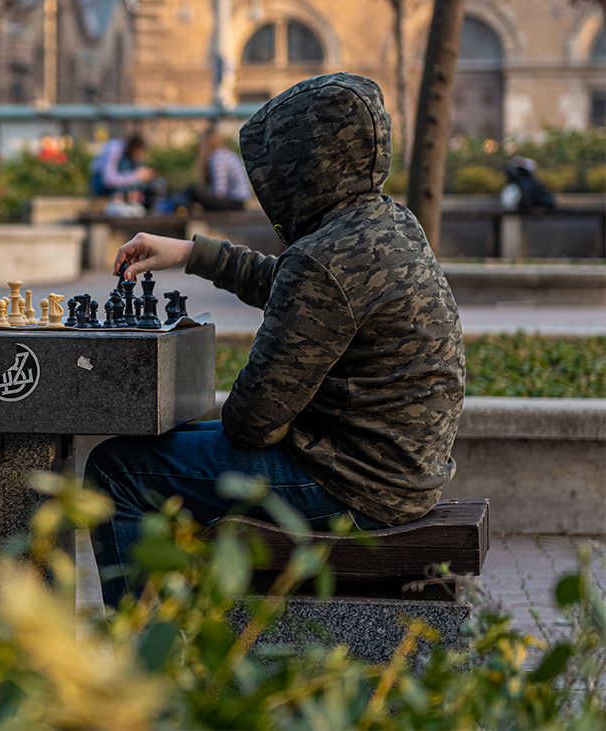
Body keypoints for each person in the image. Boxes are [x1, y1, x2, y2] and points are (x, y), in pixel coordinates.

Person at [87, 73, 465, 606]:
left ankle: (143, 658)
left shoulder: (323, 259)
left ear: (302, 168)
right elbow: (289, 285)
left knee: (117, 469)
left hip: (352, 484)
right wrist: (190, 253)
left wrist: (279, 407)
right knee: (182, 448)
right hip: (402, 471)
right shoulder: (388, 222)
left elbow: (252, 422)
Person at [160, 127, 251, 213]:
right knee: (194, 190)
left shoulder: (217, 156)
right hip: (239, 200)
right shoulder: (225, 153)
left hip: (235, 202)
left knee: (194, 190)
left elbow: (220, 191)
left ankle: (173, 205)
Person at [90, 133, 156, 199]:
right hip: (100, 183)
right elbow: (108, 180)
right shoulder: (116, 149)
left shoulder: (129, 155)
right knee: (120, 193)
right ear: (134, 149)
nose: (139, 157)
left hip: (114, 183)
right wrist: (136, 176)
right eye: (138, 154)